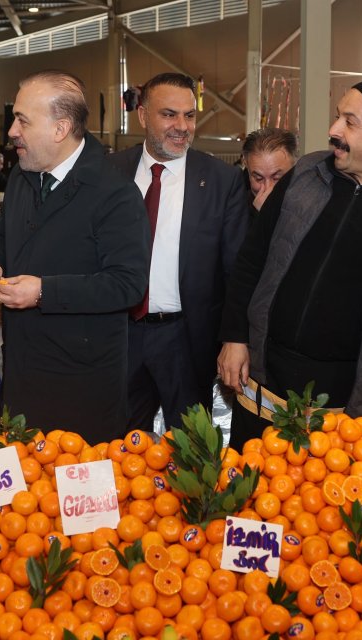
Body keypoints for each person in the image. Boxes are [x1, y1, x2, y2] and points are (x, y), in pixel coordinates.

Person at [218, 71, 362, 451]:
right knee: (250, 497)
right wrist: (234, 336)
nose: (334, 129)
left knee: (321, 508)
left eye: (349, 121)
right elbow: (252, 258)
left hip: (346, 414)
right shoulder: (306, 175)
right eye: (338, 116)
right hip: (263, 384)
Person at [0, 70, 149, 443]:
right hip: (22, 376)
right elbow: (3, 234)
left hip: (81, 388)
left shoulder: (114, 192)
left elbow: (127, 285)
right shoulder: (23, 176)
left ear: (60, 128)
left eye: (22, 121)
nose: (11, 132)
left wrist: (43, 293)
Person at [105, 73, 250, 430]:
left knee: (191, 457)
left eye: (190, 116)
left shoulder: (222, 181)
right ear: (142, 116)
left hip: (186, 340)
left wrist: (236, 338)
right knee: (119, 449)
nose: (182, 126)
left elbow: (238, 271)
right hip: (119, 336)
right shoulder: (108, 174)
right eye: (169, 114)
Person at [241, 127, 297, 212]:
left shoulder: (311, 205)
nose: (268, 188)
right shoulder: (236, 209)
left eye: (277, 178)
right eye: (259, 179)